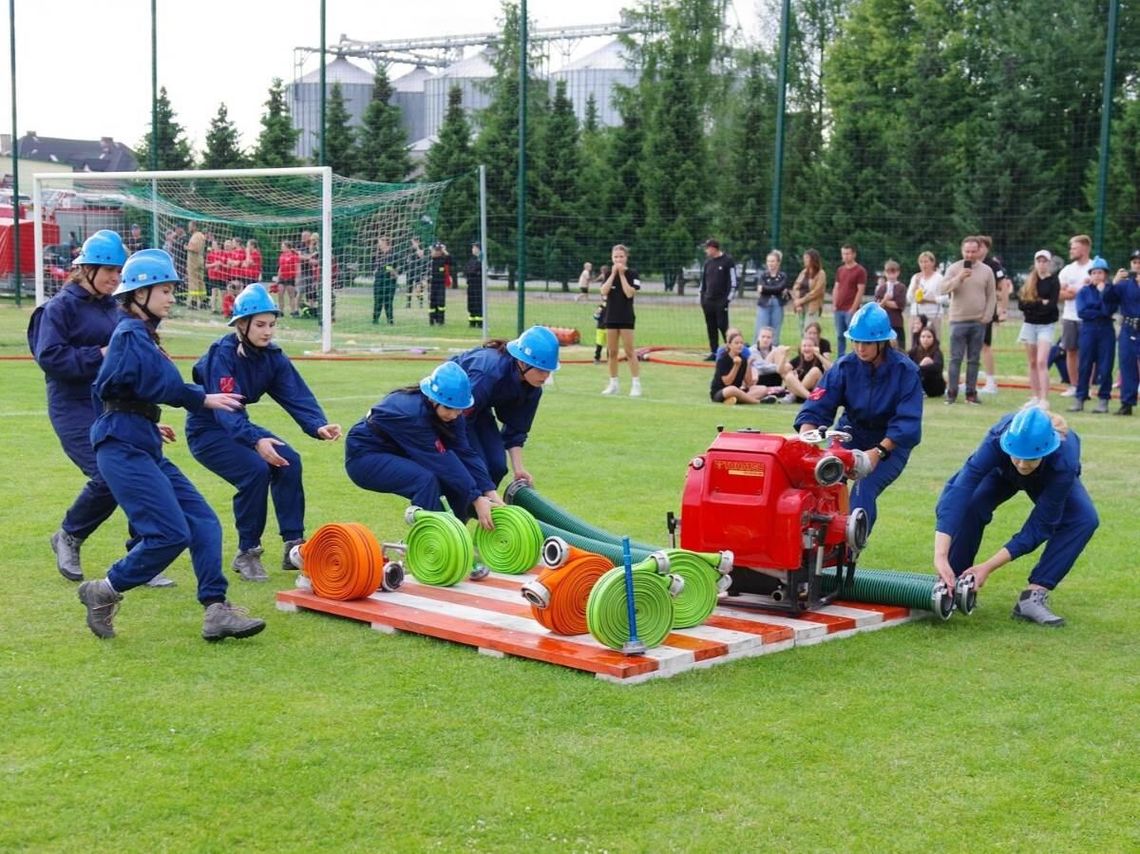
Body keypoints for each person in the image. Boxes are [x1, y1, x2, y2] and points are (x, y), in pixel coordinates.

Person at [77, 249, 265, 641]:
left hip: (137, 439)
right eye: (165, 290)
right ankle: (103, 590)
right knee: (169, 534)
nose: (171, 297)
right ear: (140, 294)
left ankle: (216, 609)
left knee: (203, 522)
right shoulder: (130, 333)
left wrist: (142, 417)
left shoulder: (139, 335)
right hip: (122, 448)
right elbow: (160, 383)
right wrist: (204, 398)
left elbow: (117, 387)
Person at [28, 230, 172, 588]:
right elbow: (50, 358)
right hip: (73, 406)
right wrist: (101, 354)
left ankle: (142, 554)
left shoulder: (115, 306)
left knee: (141, 469)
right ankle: (69, 535)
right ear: (86, 269)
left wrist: (147, 417)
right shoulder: (57, 308)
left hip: (116, 406)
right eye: (107, 269)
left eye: (118, 270)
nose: (114, 277)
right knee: (109, 475)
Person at [186, 283, 342, 582]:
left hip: (240, 426)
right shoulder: (222, 355)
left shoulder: (272, 357)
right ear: (241, 325)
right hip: (207, 432)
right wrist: (256, 440)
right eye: (260, 324)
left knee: (289, 461)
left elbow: (296, 394)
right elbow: (225, 411)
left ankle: (294, 546)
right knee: (255, 471)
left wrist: (317, 425)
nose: (268, 331)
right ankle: (248, 552)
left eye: (272, 324)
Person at [933, 406, 1097, 627]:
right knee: (971, 503)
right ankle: (955, 582)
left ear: (1046, 451)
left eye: (1030, 459)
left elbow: (1040, 525)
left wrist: (988, 566)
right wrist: (940, 555)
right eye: (1017, 456)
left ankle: (1033, 597)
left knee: (1084, 519)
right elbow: (960, 490)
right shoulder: (997, 439)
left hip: (1046, 477)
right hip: (1001, 473)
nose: (1021, 464)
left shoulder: (1063, 461)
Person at [794, 302, 923, 533]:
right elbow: (817, 405)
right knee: (824, 481)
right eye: (856, 341)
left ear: (882, 342)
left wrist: (878, 453)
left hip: (890, 444)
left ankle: (852, 547)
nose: (860, 348)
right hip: (850, 434)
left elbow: (907, 423)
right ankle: (815, 547)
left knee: (864, 488)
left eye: (866, 342)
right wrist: (806, 438)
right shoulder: (844, 366)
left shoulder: (906, 371)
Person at [344, 361, 500, 529]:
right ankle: (432, 542)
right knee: (425, 480)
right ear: (434, 399)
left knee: (453, 483)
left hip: (397, 449)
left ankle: (453, 539)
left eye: (459, 409)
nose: (455, 415)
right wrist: (476, 498)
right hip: (364, 457)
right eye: (449, 408)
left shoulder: (453, 412)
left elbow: (465, 453)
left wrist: (490, 492)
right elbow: (441, 460)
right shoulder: (412, 415)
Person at [449, 326, 559, 487]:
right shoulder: (489, 374)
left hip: (478, 409)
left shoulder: (532, 388)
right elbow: (457, 419)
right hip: (452, 408)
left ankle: (479, 509)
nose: (545, 376)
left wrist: (519, 469)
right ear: (522, 362)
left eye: (549, 371)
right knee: (477, 467)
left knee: (498, 467)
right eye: (541, 370)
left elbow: (515, 430)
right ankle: (460, 507)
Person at [942, 236, 996, 405]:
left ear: (979, 251)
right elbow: (942, 289)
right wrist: (959, 278)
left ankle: (971, 393)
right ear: (962, 251)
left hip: (978, 321)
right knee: (955, 358)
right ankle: (952, 392)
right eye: (967, 251)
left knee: (974, 359)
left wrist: (987, 316)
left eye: (973, 251)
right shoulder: (954, 268)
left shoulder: (987, 270)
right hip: (957, 320)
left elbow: (991, 295)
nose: (970, 255)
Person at [1069, 256, 1115, 413]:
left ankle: (1103, 399)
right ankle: (1080, 397)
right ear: (1090, 274)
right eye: (1094, 272)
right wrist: (1100, 310)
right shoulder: (1083, 292)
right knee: (1085, 364)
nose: (1097, 276)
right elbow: (1082, 312)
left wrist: (1101, 298)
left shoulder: (1110, 291)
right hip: (1088, 330)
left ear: (1105, 274)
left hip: (1106, 330)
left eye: (1100, 272)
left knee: (1105, 365)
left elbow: (1109, 310)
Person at [1017, 250, 1061, 405]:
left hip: (1045, 326)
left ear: (1049, 263)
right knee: (1032, 362)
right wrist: (1038, 303)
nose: (1041, 264)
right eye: (1039, 261)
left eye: (1044, 261)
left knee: (1042, 361)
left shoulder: (1054, 281)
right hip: (1029, 325)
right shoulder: (1029, 281)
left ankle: (1044, 398)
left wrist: (1035, 306)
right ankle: (1035, 396)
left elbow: (1050, 306)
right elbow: (1022, 305)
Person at [599, 244, 643, 397]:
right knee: (612, 352)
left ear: (626, 257)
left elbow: (629, 293)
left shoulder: (633, 273)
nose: (618, 259)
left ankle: (636, 384)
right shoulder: (608, 274)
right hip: (610, 316)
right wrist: (612, 275)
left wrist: (622, 275)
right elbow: (603, 291)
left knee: (630, 351)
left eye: (621, 256)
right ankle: (613, 384)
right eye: (615, 257)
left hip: (626, 317)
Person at [1058, 235, 1093, 397]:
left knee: (1088, 353)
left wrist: (1075, 290)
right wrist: (1077, 291)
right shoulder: (1067, 270)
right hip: (1069, 316)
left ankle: (1087, 387)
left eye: (1074, 247)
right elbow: (1059, 294)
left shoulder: (1094, 267)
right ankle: (1074, 386)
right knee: (1070, 351)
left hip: (1088, 318)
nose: (1071, 250)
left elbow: (1093, 293)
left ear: (1085, 249)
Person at [711, 328, 781, 405]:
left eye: (741, 343)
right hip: (721, 392)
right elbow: (727, 382)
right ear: (729, 345)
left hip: (737, 390)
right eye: (736, 343)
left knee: (763, 389)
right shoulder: (723, 359)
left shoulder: (743, 359)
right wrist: (736, 366)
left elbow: (749, 384)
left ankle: (736, 400)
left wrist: (748, 365)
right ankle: (758, 402)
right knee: (732, 389)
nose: (740, 345)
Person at [1108, 248, 1140, 415]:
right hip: (1129, 327)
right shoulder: (1125, 284)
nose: (1137, 265)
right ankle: (1127, 403)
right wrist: (1114, 282)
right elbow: (1108, 300)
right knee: (1127, 365)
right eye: (1135, 262)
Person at [977, 236, 1010, 394]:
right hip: (971, 310)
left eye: (981, 247)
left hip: (986, 311)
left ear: (986, 248)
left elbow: (1003, 286)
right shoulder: (970, 263)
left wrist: (1003, 309)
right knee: (971, 346)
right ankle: (973, 378)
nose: (977, 250)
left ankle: (991, 382)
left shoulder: (993, 265)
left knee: (985, 345)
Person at [698, 238, 737, 361]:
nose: (706, 251)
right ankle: (714, 352)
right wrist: (702, 298)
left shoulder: (728, 261)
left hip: (721, 301)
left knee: (723, 325)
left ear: (713, 248)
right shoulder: (707, 263)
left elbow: (733, 281)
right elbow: (703, 282)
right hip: (708, 301)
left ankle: (731, 350)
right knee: (711, 326)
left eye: (707, 248)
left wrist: (727, 299)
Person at [832, 243, 867, 357]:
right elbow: (836, 287)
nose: (845, 256)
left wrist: (853, 308)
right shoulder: (840, 270)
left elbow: (860, 290)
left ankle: (855, 356)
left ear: (854, 254)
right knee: (839, 336)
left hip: (850, 309)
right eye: (843, 253)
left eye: (847, 253)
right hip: (839, 308)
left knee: (853, 336)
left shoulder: (860, 271)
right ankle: (840, 358)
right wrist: (834, 304)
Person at [774, 336, 827, 403]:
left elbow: (831, 369)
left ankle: (794, 395)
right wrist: (784, 356)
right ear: (801, 349)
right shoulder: (798, 359)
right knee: (789, 376)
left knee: (815, 370)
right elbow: (780, 371)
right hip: (802, 394)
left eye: (810, 346)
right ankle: (811, 398)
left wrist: (819, 355)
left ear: (815, 347)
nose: (807, 348)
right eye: (804, 346)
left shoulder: (819, 358)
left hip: (815, 391)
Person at [906, 250, 945, 338]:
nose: (924, 264)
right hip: (916, 315)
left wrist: (930, 300)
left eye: (926, 261)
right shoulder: (915, 277)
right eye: (921, 262)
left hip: (933, 315)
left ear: (933, 263)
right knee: (915, 342)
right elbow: (909, 298)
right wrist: (916, 284)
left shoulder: (939, 278)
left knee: (934, 342)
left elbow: (946, 298)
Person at [755, 250, 791, 345]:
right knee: (761, 329)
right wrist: (775, 289)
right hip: (764, 304)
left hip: (777, 305)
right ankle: (758, 352)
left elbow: (780, 288)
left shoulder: (783, 276)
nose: (770, 263)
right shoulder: (763, 275)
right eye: (768, 261)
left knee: (775, 330)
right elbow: (760, 289)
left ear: (778, 262)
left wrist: (765, 289)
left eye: (773, 261)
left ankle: (773, 352)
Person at [791, 249, 826, 339]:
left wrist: (801, 300)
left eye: (807, 258)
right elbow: (796, 286)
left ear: (813, 259)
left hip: (812, 307)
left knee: (810, 330)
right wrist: (797, 301)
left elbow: (816, 292)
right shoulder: (803, 272)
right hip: (800, 306)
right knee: (802, 330)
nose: (805, 260)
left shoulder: (820, 274)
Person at [907, 320, 947, 398]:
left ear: (933, 338)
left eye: (929, 337)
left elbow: (937, 367)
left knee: (927, 360)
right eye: (923, 337)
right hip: (920, 382)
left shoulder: (937, 352)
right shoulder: (915, 350)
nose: (925, 339)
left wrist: (919, 367)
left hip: (935, 386)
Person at [874, 259, 908, 348]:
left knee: (899, 347)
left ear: (898, 273)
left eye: (893, 272)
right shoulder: (881, 288)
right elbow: (878, 306)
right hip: (883, 322)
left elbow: (899, 305)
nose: (891, 275)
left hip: (897, 322)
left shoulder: (901, 287)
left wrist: (884, 302)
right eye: (888, 272)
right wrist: (885, 300)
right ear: (885, 273)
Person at [372, 235, 398, 325]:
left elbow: (393, 268)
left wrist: (389, 269)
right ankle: (375, 319)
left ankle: (390, 320)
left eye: (380, 241)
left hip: (389, 281)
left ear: (385, 242)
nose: (378, 244)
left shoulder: (393, 254)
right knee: (377, 301)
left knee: (388, 301)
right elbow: (376, 267)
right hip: (379, 280)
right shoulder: (377, 254)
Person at [185, 221, 207, 311]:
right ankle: (203, 301)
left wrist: (186, 247)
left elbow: (196, 248)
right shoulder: (200, 235)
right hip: (199, 260)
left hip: (194, 261)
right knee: (200, 281)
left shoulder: (197, 236)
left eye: (190, 226)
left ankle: (193, 302)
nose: (188, 228)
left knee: (194, 280)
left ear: (194, 226)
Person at [274, 240, 300, 316]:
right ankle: (281, 311)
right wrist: (278, 277)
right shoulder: (282, 255)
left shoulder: (294, 256)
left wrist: (297, 278)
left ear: (287, 247)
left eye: (283, 246)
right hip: (282, 277)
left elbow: (297, 267)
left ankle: (293, 311)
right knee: (280, 294)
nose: (281, 248)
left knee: (291, 295)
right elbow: (280, 267)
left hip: (290, 276)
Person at [428, 242, 451, 325]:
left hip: (441, 284)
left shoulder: (443, 259)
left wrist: (445, 250)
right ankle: (432, 320)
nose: (437, 252)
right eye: (436, 250)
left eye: (439, 250)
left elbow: (451, 260)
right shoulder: (429, 260)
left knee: (440, 302)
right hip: (432, 284)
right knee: (432, 303)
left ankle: (440, 320)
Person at [405, 236, 427, 309]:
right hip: (410, 271)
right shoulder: (409, 250)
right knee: (409, 288)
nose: (413, 243)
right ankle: (408, 303)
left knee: (418, 288)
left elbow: (421, 255)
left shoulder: (421, 249)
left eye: (415, 241)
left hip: (418, 271)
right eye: (413, 241)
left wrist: (417, 247)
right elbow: (407, 260)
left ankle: (420, 302)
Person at [466, 243, 484, 328]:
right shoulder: (471, 260)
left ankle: (480, 323)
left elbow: (474, 271)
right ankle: (472, 322)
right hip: (471, 285)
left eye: (474, 247)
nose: (473, 249)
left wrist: (473, 271)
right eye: (472, 247)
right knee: (471, 304)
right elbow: (468, 270)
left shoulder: (481, 260)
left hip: (478, 286)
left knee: (478, 304)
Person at [592, 299, 607, 364]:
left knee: (610, 345)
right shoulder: (600, 307)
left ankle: (610, 358)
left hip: (608, 328)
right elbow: (595, 316)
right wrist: (598, 312)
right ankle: (597, 358)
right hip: (601, 328)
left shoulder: (613, 307)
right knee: (599, 344)